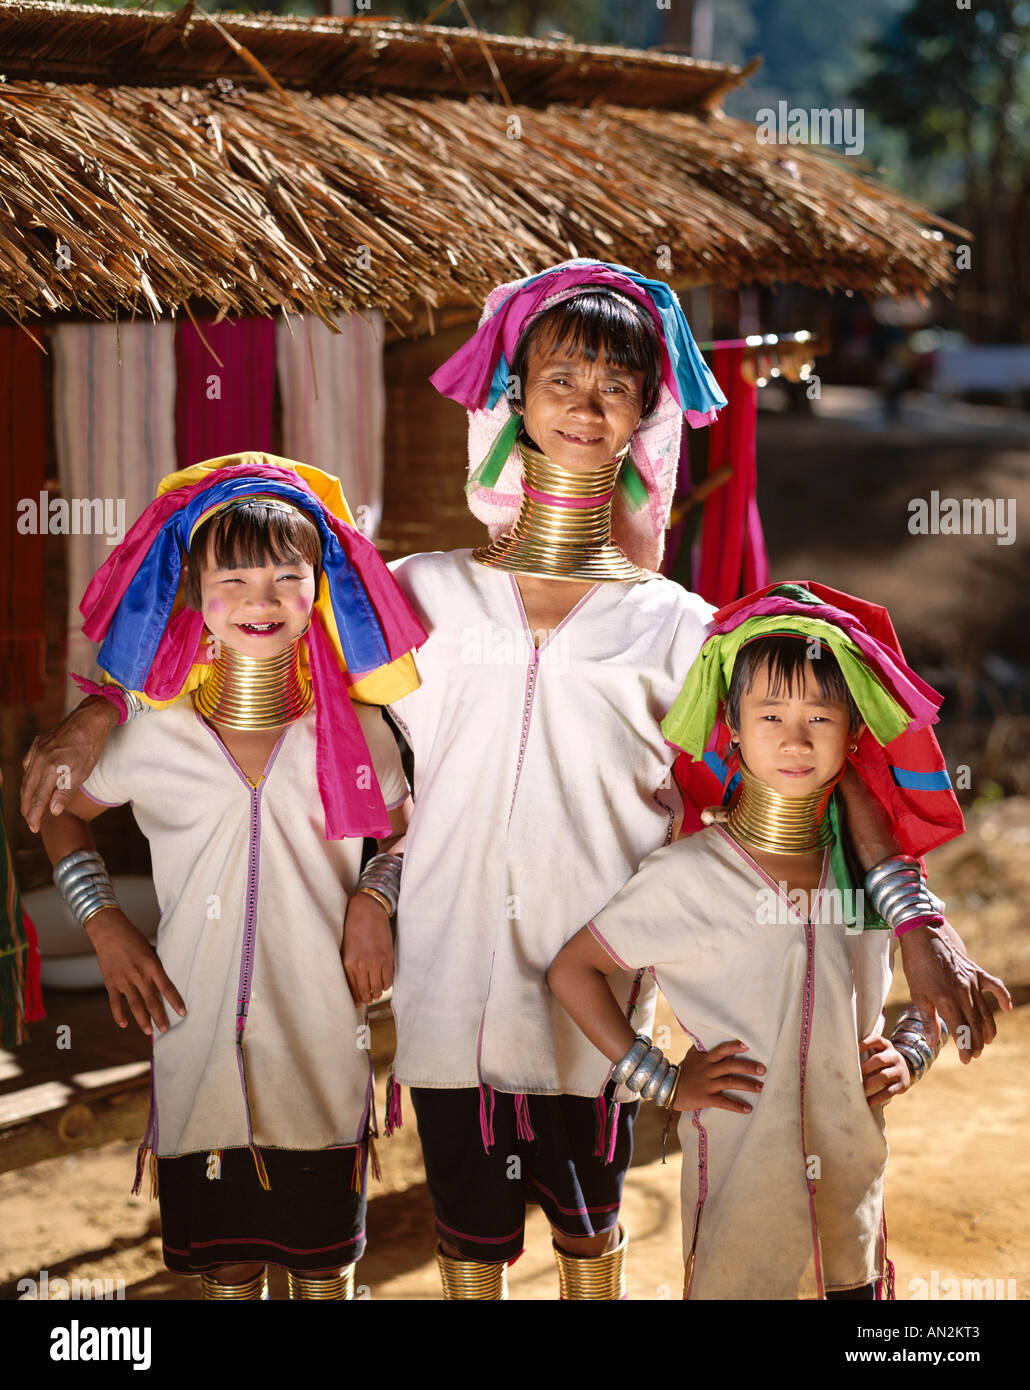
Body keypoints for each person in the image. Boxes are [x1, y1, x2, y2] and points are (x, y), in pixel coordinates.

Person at [21, 262, 1011, 1300]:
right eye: (562, 378)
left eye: (615, 385)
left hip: (594, 1018)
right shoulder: (417, 599)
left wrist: (921, 927)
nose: (586, 404)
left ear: (644, 414)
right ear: (514, 400)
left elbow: (824, 761)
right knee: (468, 1252)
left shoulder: (678, 627)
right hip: (445, 1005)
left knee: (592, 1249)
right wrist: (99, 711)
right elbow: (239, 640)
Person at [548, 585, 1006, 1299]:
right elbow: (573, 969)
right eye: (769, 715)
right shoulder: (687, 875)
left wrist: (911, 1050)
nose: (795, 739)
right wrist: (663, 1079)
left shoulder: (868, 873)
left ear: (854, 733)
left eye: (820, 716)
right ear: (730, 729)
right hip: (740, 1199)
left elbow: (929, 988)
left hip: (852, 1196)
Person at [38, 455, 425, 1301]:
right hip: (195, 1048)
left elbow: (407, 828)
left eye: (289, 576)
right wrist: (103, 924)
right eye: (235, 576)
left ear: (318, 591)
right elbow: (60, 812)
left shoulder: (357, 734)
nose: (262, 599)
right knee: (229, 1275)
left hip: (322, 1049)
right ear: (194, 592)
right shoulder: (153, 738)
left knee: (326, 1275)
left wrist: (374, 897)